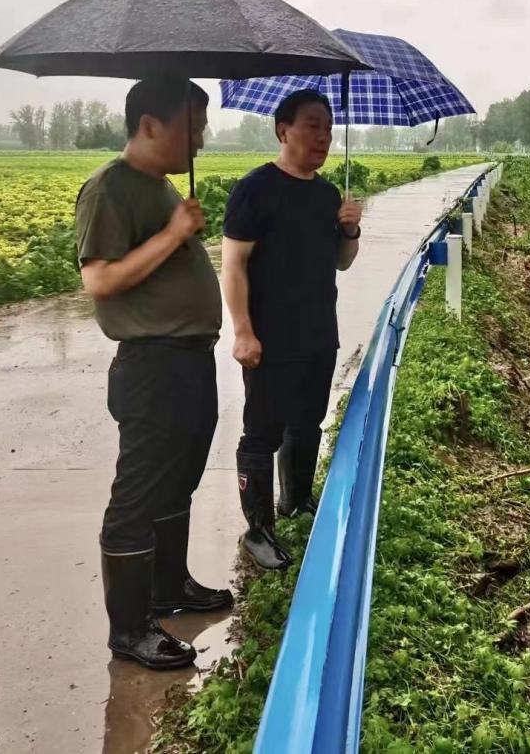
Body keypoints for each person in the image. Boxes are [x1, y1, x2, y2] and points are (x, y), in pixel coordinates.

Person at [74, 76, 232, 671]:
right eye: (194, 127)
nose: (201, 139)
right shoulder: (109, 188)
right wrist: (173, 234)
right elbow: (100, 280)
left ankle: (170, 587)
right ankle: (130, 628)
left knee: (179, 478)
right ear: (149, 125)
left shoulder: (162, 185)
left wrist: (178, 232)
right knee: (138, 493)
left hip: (189, 359)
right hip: (152, 366)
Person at [221, 89, 362, 570]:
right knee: (262, 433)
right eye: (312, 126)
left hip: (319, 333)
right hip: (270, 338)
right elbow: (233, 265)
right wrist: (243, 330)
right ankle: (258, 531)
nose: (323, 137)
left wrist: (350, 230)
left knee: (306, 423)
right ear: (283, 130)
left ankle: (296, 501)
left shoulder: (328, 195)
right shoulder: (255, 189)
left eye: (329, 128)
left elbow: (341, 262)